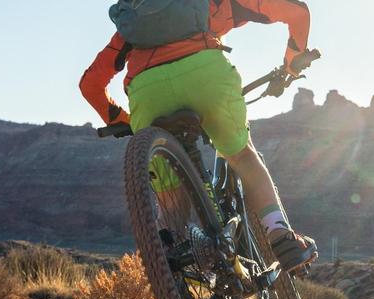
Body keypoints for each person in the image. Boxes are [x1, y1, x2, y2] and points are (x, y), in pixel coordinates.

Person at [80, 0, 318, 272]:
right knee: (242, 155)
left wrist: (126, 120)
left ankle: (171, 278)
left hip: (147, 93)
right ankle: (279, 235)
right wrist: (290, 67)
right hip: (206, 75)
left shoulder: (135, 21)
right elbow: (297, 12)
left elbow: (90, 86)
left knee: (170, 203)